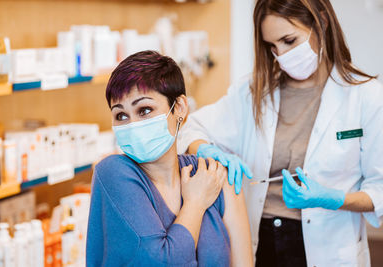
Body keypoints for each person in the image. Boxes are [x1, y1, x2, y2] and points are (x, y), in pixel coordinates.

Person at [177, 0, 383, 266]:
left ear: (321, 21)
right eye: (272, 46)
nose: (282, 55)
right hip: (259, 241)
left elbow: (379, 190)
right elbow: (190, 127)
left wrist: (334, 198)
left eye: (289, 40)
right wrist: (205, 148)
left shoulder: (366, 96)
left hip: (328, 248)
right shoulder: (253, 91)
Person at [86, 50, 253, 266]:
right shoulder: (113, 172)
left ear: (180, 108)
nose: (133, 125)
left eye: (145, 110)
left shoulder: (214, 175)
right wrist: (195, 202)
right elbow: (161, 262)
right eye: (121, 115)